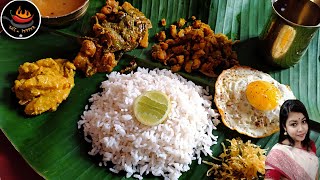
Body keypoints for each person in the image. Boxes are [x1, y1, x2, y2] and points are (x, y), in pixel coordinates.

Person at [265, 99, 319, 180]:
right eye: (294, 124)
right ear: (284, 126)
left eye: (304, 121)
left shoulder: (310, 145)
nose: (301, 129)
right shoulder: (277, 155)